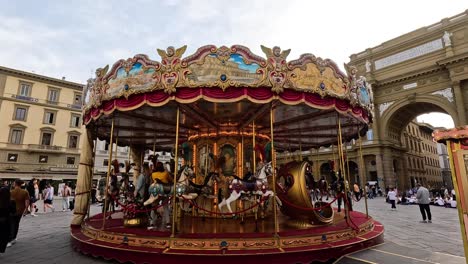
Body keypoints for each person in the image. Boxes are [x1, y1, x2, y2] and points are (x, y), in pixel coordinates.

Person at [9, 179, 29, 247]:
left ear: (15, 184)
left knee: (11, 224)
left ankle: (11, 238)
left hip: (11, 210)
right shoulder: (25, 192)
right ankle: (14, 237)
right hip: (20, 210)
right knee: (16, 223)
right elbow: (27, 202)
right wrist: (26, 210)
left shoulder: (11, 192)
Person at [0, 184, 12, 253]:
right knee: (4, 236)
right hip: (6, 221)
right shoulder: (10, 202)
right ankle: (1, 249)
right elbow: (13, 211)